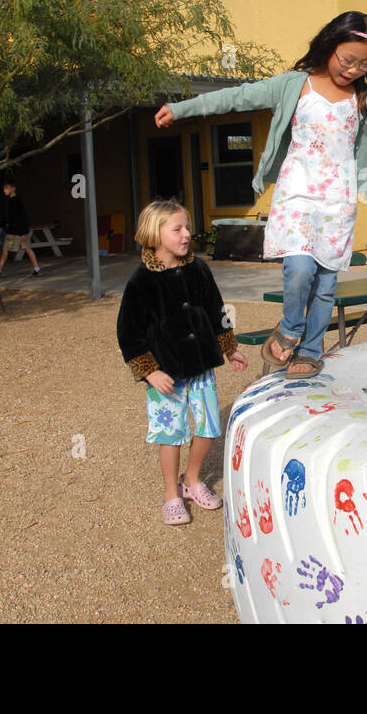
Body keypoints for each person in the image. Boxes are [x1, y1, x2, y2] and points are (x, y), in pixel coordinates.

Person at [154, 10, 367, 378]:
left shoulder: (365, 97)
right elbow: (238, 97)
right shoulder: (296, 84)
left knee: (325, 283)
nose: (353, 69)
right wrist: (181, 109)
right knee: (299, 269)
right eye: (347, 60)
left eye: (364, 64)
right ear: (330, 45)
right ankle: (292, 327)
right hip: (297, 194)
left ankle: (310, 350)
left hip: (337, 200)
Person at [116, 198, 248, 525]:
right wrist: (150, 372)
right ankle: (170, 494)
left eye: (186, 227)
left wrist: (230, 348)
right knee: (170, 433)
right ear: (154, 233)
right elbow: (128, 334)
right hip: (166, 374)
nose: (186, 234)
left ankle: (191, 480)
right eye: (177, 229)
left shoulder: (198, 268)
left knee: (208, 428)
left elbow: (218, 311)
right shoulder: (141, 281)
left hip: (201, 366)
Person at [0, 181, 41, 277]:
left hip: (17, 231)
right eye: (4, 188)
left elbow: (20, 217)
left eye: (6, 188)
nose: (5, 190)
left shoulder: (15, 200)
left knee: (8, 250)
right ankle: (36, 268)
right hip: (17, 230)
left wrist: (22, 233)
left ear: (13, 188)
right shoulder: (13, 200)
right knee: (23, 249)